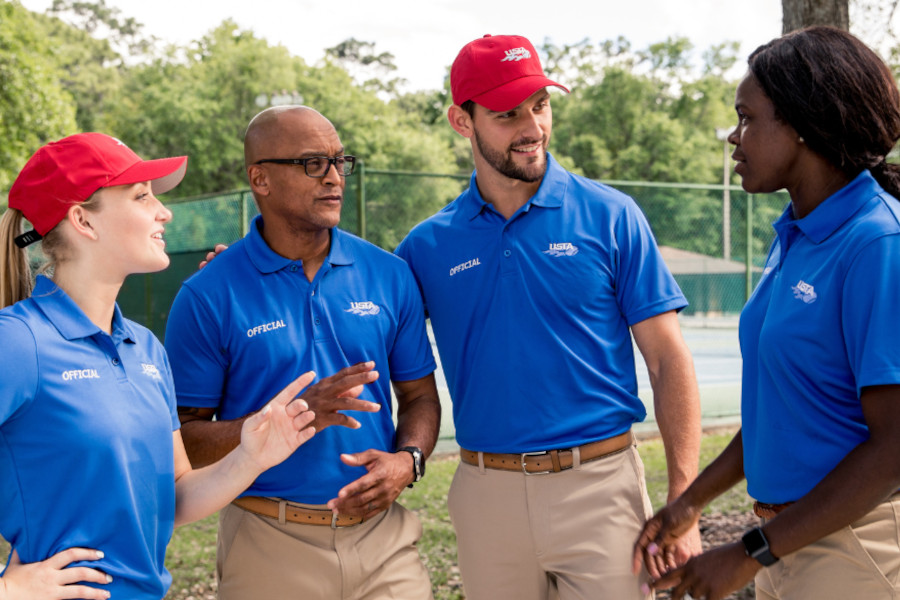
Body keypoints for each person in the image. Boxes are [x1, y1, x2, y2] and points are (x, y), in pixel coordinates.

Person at [394, 34, 702, 600]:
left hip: (601, 486)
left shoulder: (612, 216)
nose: (531, 126)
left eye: (540, 105)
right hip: (486, 492)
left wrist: (684, 497)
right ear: (462, 122)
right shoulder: (425, 247)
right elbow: (360, 315)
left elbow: (667, 359)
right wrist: (249, 269)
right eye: (507, 114)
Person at [633, 26, 900, 600]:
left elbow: (893, 448)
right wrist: (690, 502)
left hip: (858, 545)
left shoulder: (877, 242)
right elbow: (779, 408)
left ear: (804, 124)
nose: (734, 136)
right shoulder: (797, 233)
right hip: (790, 539)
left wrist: (751, 551)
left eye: (747, 118)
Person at [0, 133, 319, 600]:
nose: (163, 211)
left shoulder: (145, 348)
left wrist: (251, 457)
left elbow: (173, 495)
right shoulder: (18, 340)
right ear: (83, 220)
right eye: (142, 196)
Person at [163, 105, 441, 600]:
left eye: (340, 161)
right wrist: (292, 418)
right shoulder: (207, 294)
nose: (335, 178)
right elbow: (185, 441)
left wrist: (409, 460)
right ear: (260, 179)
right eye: (314, 163)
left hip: (384, 542)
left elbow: (419, 396)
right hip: (269, 539)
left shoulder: (389, 274)